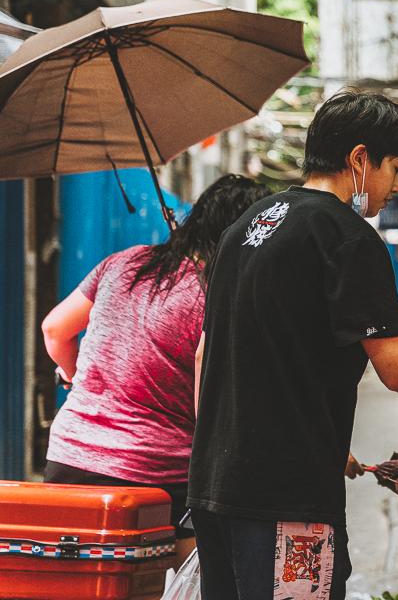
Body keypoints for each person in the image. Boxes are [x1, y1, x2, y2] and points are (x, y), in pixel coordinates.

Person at [187, 90, 398, 600]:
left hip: (214, 489)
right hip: (286, 500)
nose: (396, 185)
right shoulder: (346, 237)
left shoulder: (248, 227)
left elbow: (219, 353)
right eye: (394, 168)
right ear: (358, 159)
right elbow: (397, 366)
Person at [40, 174, 271, 568]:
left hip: (71, 459)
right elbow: (215, 407)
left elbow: (55, 329)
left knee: (72, 581)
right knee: (186, 579)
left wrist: (76, 373)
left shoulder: (123, 262)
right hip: (157, 475)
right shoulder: (216, 296)